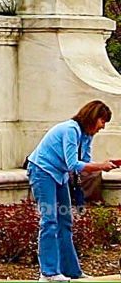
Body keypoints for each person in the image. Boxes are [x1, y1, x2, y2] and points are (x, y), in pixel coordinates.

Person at [27, 100, 117, 282]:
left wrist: (104, 165)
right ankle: (48, 273)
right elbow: (73, 164)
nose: (103, 126)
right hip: (42, 172)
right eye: (102, 121)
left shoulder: (87, 135)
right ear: (93, 117)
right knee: (49, 221)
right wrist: (101, 166)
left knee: (65, 221)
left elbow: (83, 164)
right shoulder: (71, 130)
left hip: (59, 175)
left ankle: (71, 271)